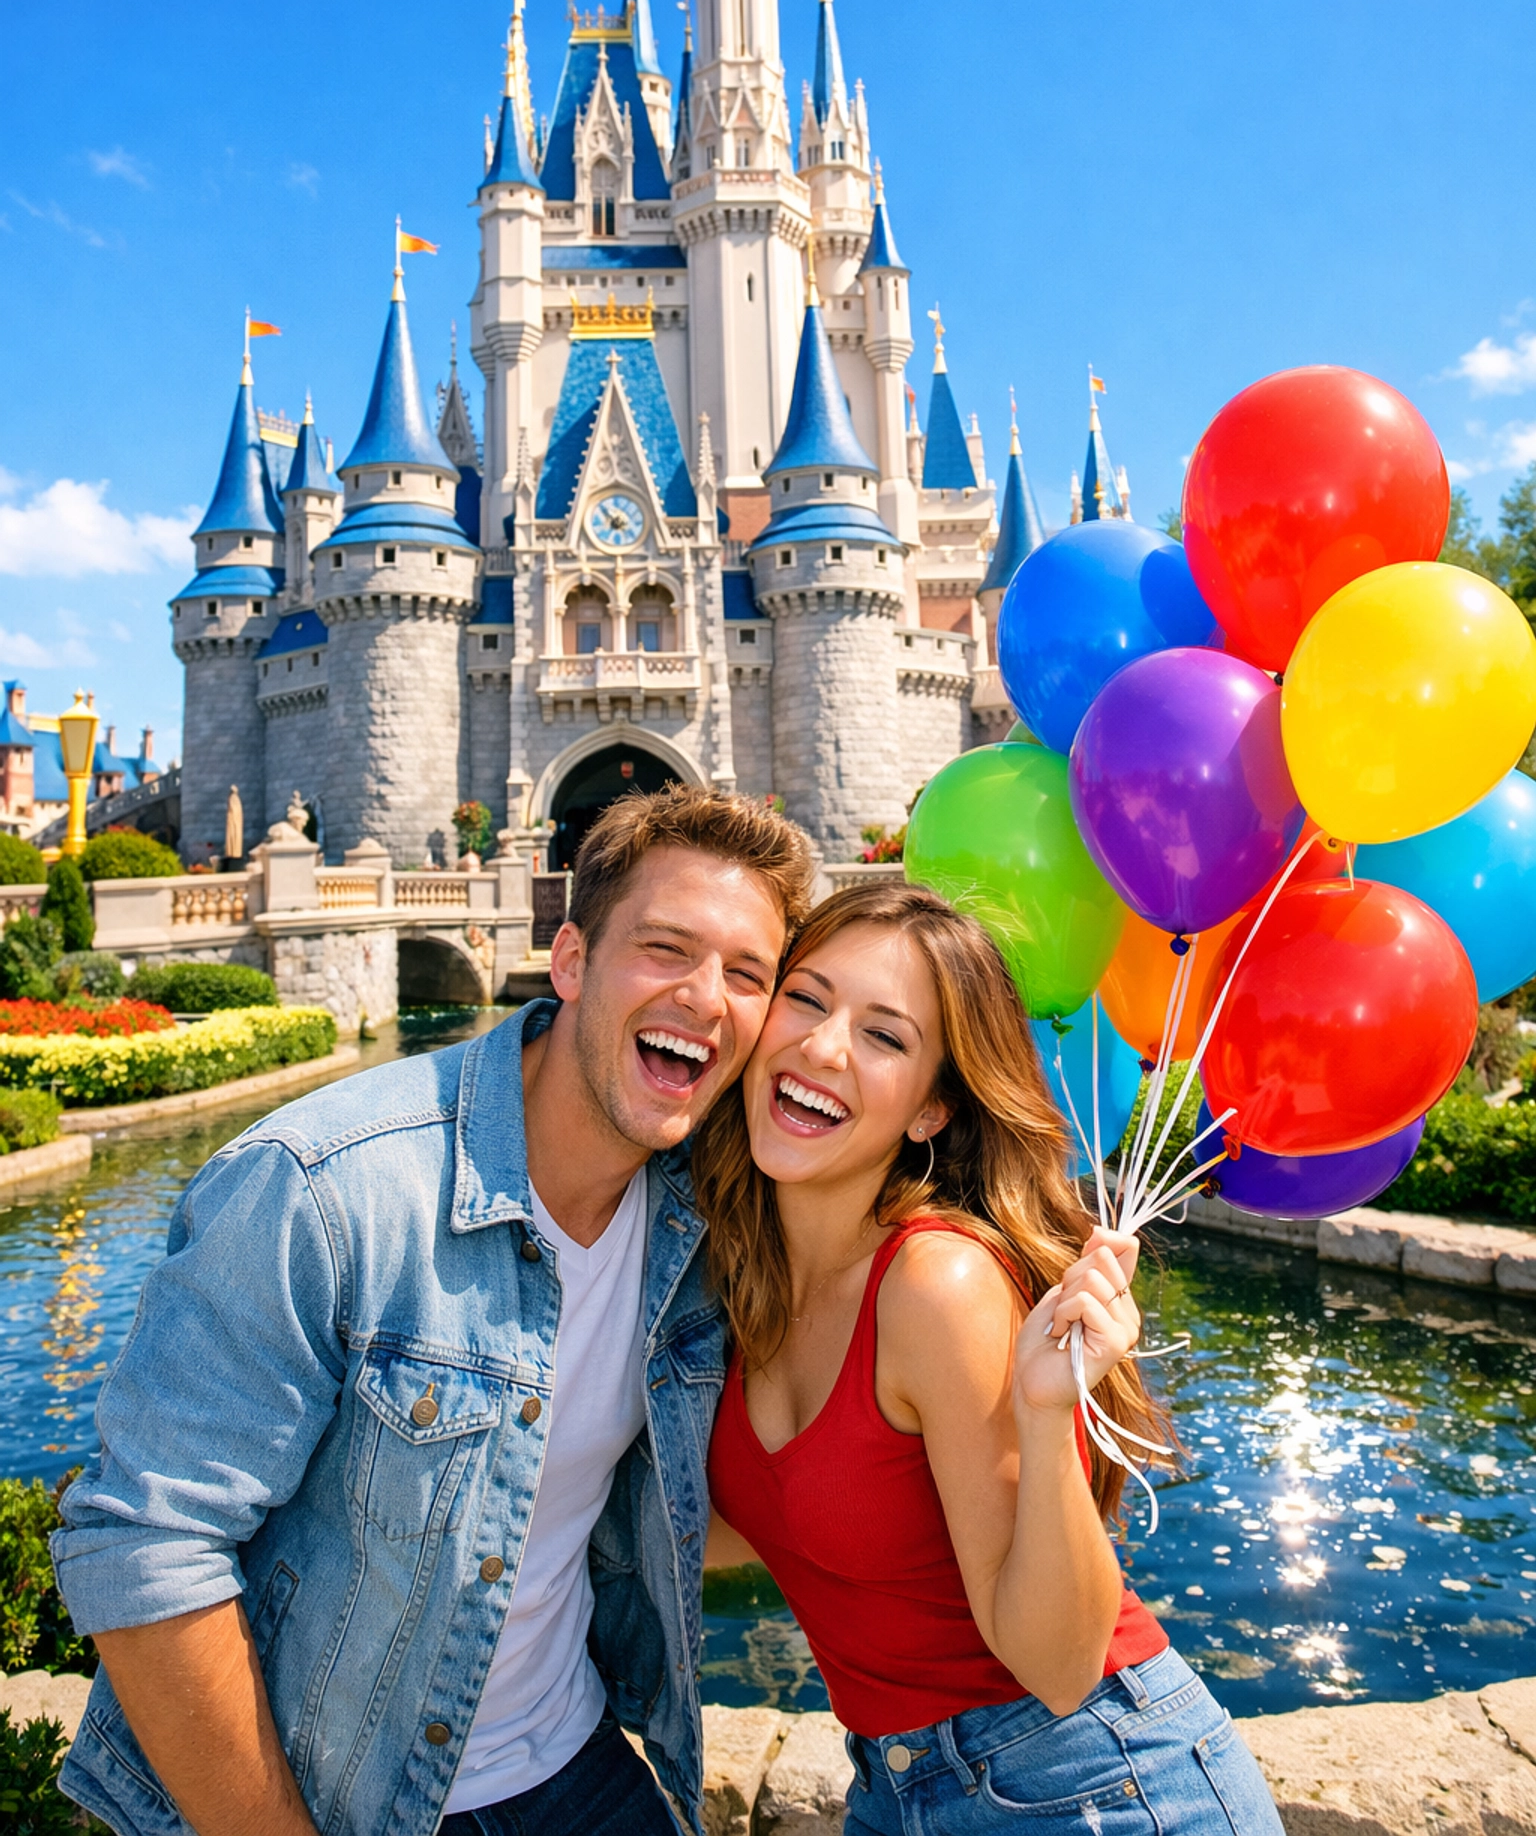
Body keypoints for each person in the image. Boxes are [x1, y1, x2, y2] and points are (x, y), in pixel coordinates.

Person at [52, 786, 814, 1836]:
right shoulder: (324, 1189)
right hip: (334, 1800)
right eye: (665, 948)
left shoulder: (703, 1218)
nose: (706, 996)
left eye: (747, 974)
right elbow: (144, 1548)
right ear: (572, 961)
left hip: (575, 1769)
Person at [695, 882, 1284, 1835]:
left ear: (931, 1109)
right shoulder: (745, 1272)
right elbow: (761, 1522)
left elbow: (1056, 1665)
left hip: (1091, 1782)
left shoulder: (938, 1285)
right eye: (806, 998)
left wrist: (1049, 1417)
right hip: (898, 1785)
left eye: (885, 1036)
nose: (823, 1045)